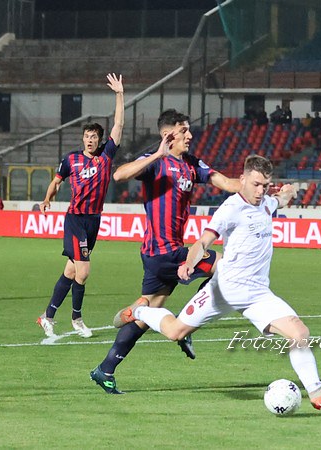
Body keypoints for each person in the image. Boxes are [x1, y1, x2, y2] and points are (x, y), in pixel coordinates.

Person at [114, 155, 321, 409]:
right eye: (256, 184)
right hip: (225, 290)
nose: (260, 191)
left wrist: (289, 192)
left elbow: (280, 200)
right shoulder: (231, 208)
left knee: (299, 332)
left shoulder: (266, 203)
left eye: (265, 185)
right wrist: (189, 264)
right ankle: (140, 310)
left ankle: (317, 392)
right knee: (175, 332)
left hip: (258, 294)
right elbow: (203, 241)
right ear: (243, 180)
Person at [89, 108, 241, 394]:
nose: (190, 135)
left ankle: (105, 369)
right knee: (225, 264)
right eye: (184, 131)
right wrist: (157, 154)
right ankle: (188, 321)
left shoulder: (191, 164)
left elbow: (226, 183)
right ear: (168, 135)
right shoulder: (155, 163)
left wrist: (255, 187)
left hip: (162, 254)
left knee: (148, 313)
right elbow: (119, 174)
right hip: (164, 252)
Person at [36, 73, 125, 339]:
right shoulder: (70, 160)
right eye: (86, 136)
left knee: (71, 271)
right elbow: (56, 181)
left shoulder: (106, 157)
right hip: (75, 218)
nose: (90, 140)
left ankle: (47, 316)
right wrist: (47, 198)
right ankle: (77, 319)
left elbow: (119, 124)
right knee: (84, 271)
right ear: (82, 138)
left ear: (100, 140)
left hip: (93, 221)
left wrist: (120, 94)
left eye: (94, 136)